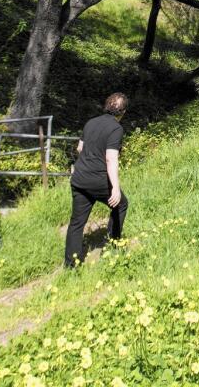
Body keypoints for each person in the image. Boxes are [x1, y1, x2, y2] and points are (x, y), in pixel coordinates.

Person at [64, 92, 129, 268]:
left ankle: (70, 266)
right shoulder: (116, 128)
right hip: (97, 180)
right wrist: (115, 187)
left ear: (106, 106)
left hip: (79, 178)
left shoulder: (91, 122)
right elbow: (111, 159)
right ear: (122, 112)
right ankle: (113, 245)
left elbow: (79, 148)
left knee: (77, 222)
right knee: (121, 204)